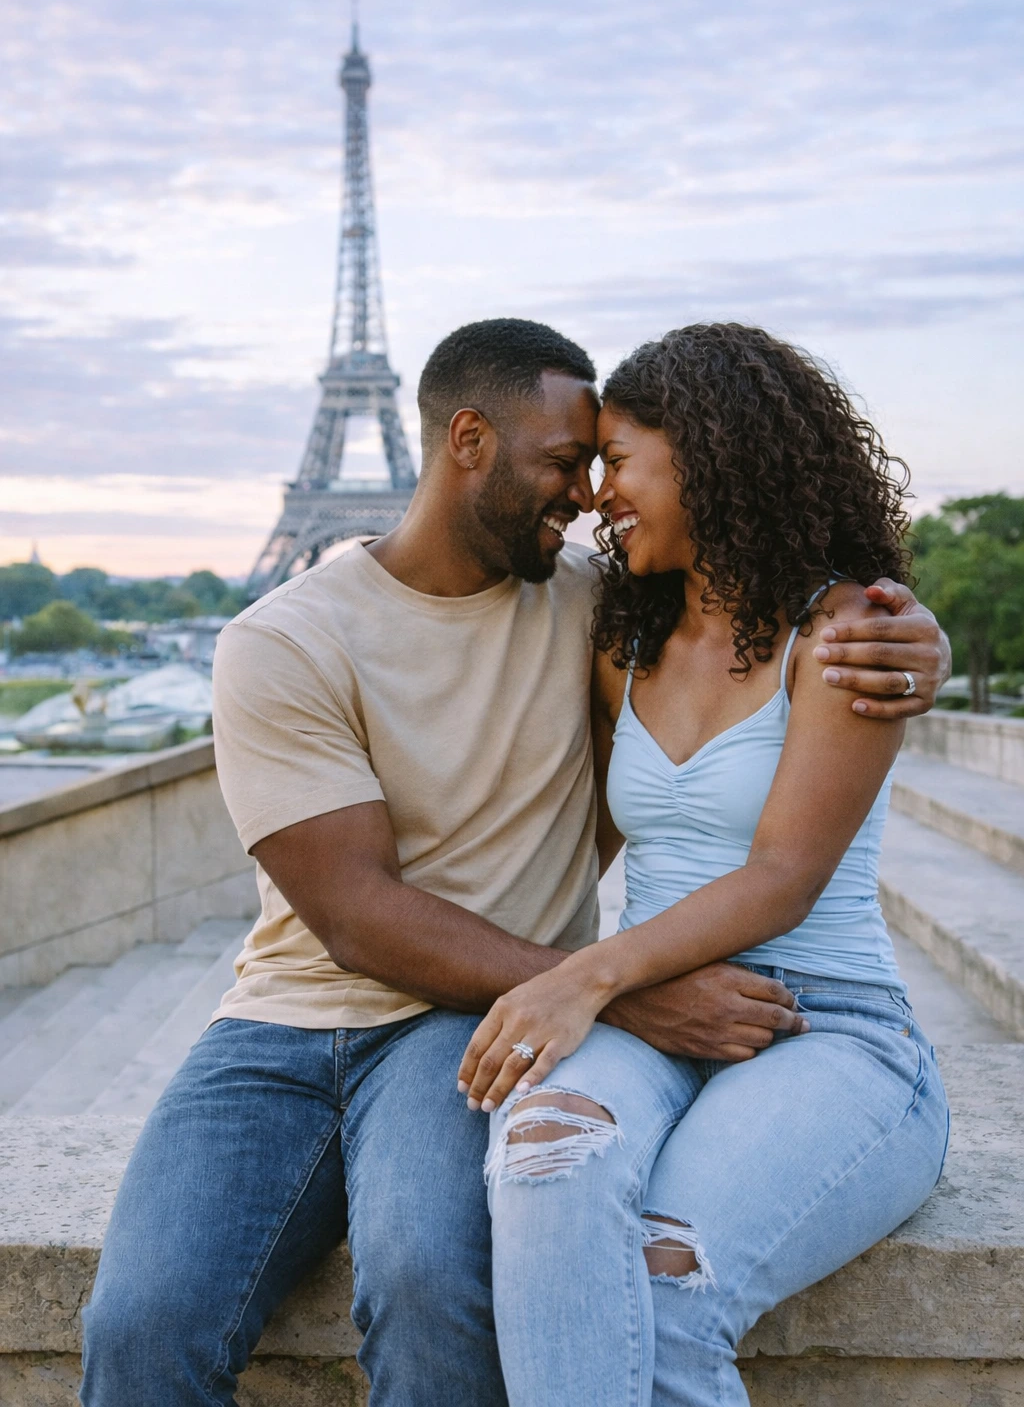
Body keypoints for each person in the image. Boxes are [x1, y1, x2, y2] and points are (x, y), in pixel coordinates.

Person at [80, 319, 949, 1407]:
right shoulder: (290, 639)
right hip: (299, 1016)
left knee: (437, 1281)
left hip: (499, 1018)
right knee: (137, 1324)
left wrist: (917, 641)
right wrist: (616, 990)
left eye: (608, 462)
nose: (588, 493)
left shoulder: (593, 599)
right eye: (567, 462)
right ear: (470, 440)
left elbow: (781, 671)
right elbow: (354, 914)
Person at [460, 322, 950, 1407]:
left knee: (666, 1285)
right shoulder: (619, 634)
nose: (596, 493)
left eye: (620, 459)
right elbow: (572, 835)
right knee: (543, 1162)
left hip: (826, 1028)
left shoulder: (843, 637)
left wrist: (583, 975)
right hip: (655, 1008)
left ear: (709, 456)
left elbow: (784, 876)